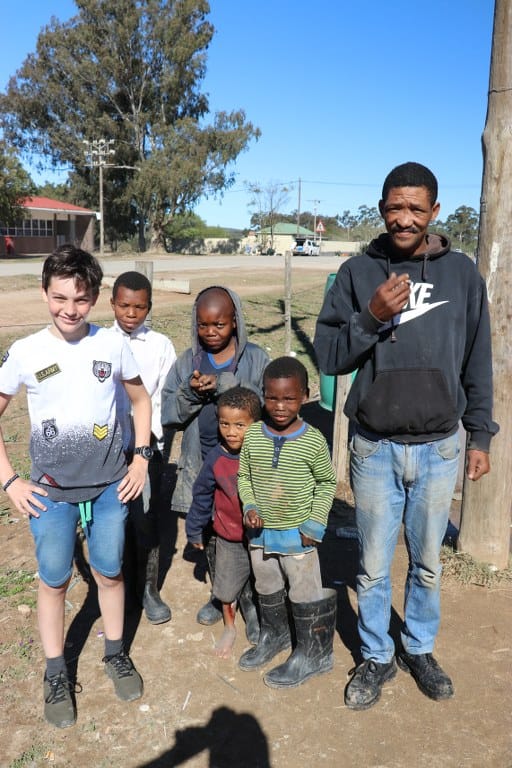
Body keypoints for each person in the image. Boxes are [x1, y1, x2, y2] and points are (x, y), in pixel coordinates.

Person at [314, 161, 499, 710]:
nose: (404, 218)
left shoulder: (462, 275)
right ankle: (377, 655)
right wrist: (370, 317)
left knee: (427, 564)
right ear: (381, 208)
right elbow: (328, 355)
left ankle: (418, 648)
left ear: (434, 211)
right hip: (374, 449)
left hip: (440, 448)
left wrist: (480, 436)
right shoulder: (356, 273)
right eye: (395, 207)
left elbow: (477, 362)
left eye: (416, 208)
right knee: (372, 567)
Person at [0, 244, 152, 729]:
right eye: (60, 297)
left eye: (81, 299)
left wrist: (141, 458)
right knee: (54, 580)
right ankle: (55, 671)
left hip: (109, 487)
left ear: (95, 298)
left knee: (109, 572)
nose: (70, 309)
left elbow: (140, 400)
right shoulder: (26, 352)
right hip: (49, 493)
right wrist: (10, 481)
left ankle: (115, 653)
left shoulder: (111, 344)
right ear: (44, 292)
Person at [161, 286, 269, 626]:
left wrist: (225, 384)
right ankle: (221, 595)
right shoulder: (187, 362)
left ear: (235, 322)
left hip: (247, 466)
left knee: (247, 528)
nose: (210, 332)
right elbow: (168, 413)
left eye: (219, 324)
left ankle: (253, 600)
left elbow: (269, 407)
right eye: (203, 325)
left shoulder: (256, 359)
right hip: (204, 461)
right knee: (211, 528)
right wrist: (190, 393)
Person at [238, 356, 337, 689]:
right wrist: (250, 506)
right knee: (266, 585)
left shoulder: (313, 441)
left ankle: (314, 653)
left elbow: (326, 483)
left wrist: (314, 524)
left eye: (289, 398)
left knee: (304, 592)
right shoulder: (253, 435)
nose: (280, 406)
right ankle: (276, 634)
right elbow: (244, 477)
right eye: (272, 398)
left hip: (298, 536)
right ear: (263, 395)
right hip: (261, 535)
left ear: (305, 396)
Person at [110, 271, 177, 624]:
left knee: (146, 516)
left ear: (149, 307)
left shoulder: (160, 345)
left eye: (139, 307)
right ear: (112, 304)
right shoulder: (99, 342)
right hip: (106, 448)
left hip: (145, 447)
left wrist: (151, 443)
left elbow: (164, 397)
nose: (131, 313)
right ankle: (118, 586)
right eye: (124, 305)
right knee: (114, 517)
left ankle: (148, 588)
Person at [185, 386, 261, 658]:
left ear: (256, 424)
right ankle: (229, 627)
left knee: (264, 584)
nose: (231, 432)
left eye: (240, 425)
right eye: (225, 424)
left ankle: (257, 618)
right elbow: (202, 495)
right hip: (230, 536)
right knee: (226, 589)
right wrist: (194, 529)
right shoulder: (216, 458)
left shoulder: (263, 454)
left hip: (263, 537)